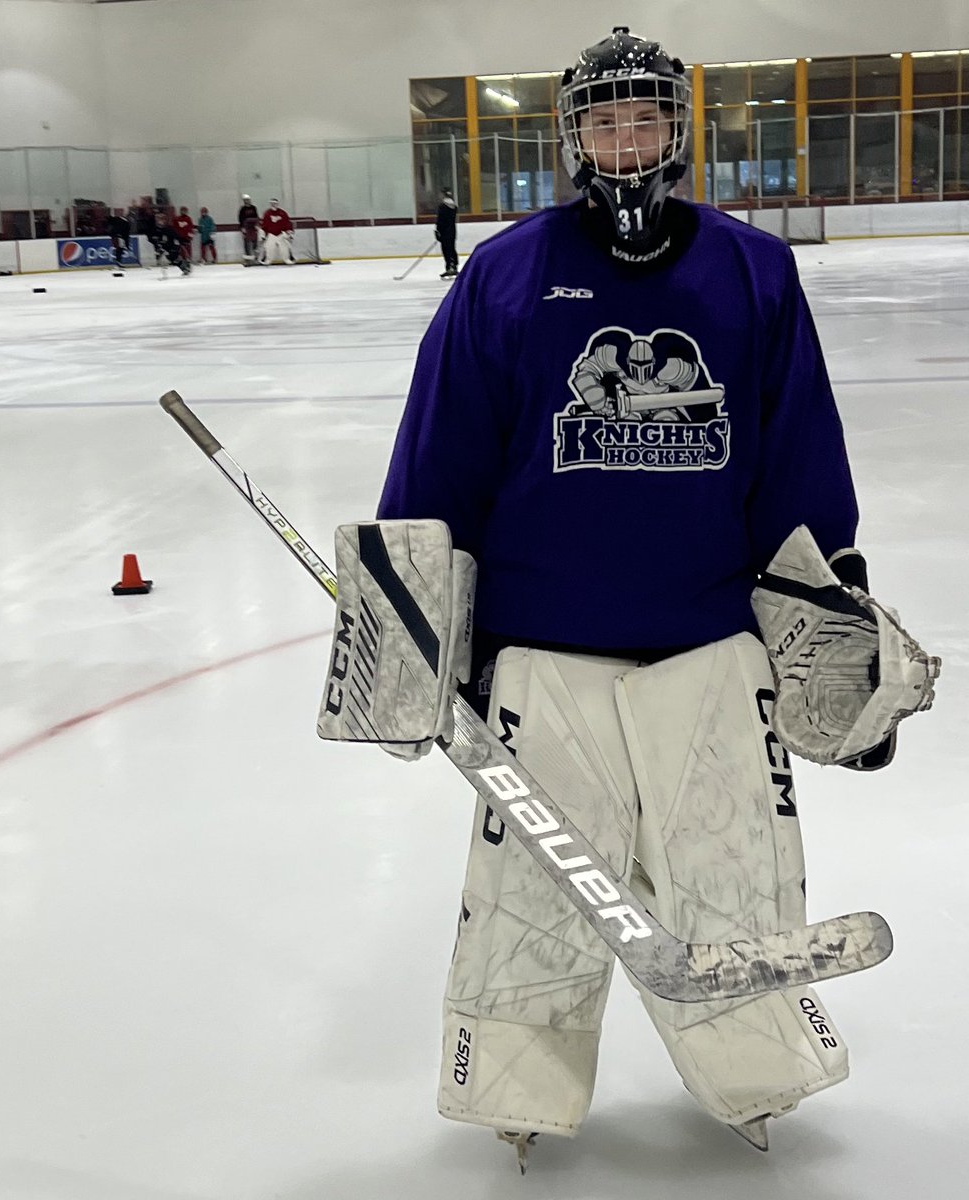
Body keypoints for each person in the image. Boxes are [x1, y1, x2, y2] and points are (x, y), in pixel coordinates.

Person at [341, 27, 936, 1169]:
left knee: (736, 877)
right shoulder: (505, 277)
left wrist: (834, 611)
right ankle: (518, 1088)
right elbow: (439, 463)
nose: (625, 139)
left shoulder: (754, 271)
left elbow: (799, 455)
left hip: (710, 647)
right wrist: (414, 638)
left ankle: (756, 1076)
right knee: (534, 892)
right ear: (573, 138)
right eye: (604, 119)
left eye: (645, 117)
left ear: (677, 130)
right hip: (542, 656)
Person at [258, 199, 296, 265]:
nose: (273, 204)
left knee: (284, 248)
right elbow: (264, 225)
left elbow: (287, 223)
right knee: (269, 247)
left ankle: (287, 259)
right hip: (271, 234)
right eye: (272, 203)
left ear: (277, 204)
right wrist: (262, 235)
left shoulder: (282, 213)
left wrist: (289, 231)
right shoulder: (267, 213)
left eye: (275, 203)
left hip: (281, 233)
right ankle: (268, 260)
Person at [435, 186, 458, 279]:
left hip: (445, 232)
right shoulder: (453, 206)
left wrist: (438, 231)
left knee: (446, 249)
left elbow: (441, 220)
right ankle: (453, 266)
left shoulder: (443, 206)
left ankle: (450, 267)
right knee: (451, 248)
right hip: (452, 231)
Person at [237, 194, 259, 264]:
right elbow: (240, 219)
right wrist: (242, 228)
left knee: (255, 243)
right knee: (246, 243)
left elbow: (257, 217)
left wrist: (257, 225)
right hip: (246, 228)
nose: (247, 201)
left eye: (248, 200)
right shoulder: (242, 209)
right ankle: (248, 260)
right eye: (245, 200)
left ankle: (256, 258)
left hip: (253, 228)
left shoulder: (254, 208)